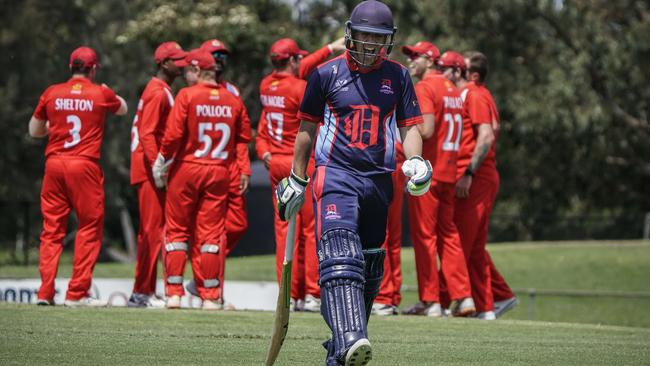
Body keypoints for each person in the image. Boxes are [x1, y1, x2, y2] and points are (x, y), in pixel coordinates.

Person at [275, 1, 432, 364]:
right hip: (336, 174)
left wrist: (415, 161)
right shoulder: (325, 74)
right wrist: (297, 179)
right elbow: (306, 131)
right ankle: (350, 337)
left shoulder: (399, 76)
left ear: (387, 41)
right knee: (340, 253)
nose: (369, 44)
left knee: (370, 265)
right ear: (350, 33)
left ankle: (342, 348)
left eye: (377, 38)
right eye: (363, 35)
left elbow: (410, 128)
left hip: (379, 180)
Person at [152, 49, 251, 310]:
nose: (184, 74)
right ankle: (210, 296)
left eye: (187, 70)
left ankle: (174, 294)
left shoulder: (186, 95)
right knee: (210, 236)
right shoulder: (233, 100)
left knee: (176, 232)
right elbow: (243, 139)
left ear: (197, 70)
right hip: (218, 171)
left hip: (188, 168)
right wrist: (243, 170)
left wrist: (161, 161)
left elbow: (172, 136)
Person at [29, 46, 128, 307]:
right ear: (93, 69)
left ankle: (44, 292)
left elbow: (34, 130)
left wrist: (54, 126)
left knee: (51, 230)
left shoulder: (52, 93)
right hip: (84, 165)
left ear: (70, 67)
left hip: (55, 165)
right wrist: (109, 91)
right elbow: (123, 109)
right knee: (89, 228)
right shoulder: (100, 93)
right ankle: (77, 293)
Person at [255, 36, 345, 312]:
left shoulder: (265, 85)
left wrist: (264, 152)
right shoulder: (301, 88)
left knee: (284, 229)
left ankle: (289, 294)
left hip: (275, 162)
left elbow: (298, 68)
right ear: (292, 60)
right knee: (309, 229)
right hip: (300, 163)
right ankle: (311, 293)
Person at [400, 45, 475, 317]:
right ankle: (463, 297)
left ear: (430, 61)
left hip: (429, 174)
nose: (410, 61)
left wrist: (404, 119)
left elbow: (427, 130)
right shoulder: (452, 89)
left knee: (425, 237)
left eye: (414, 56)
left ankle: (430, 301)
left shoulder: (424, 87)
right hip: (449, 171)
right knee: (449, 236)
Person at [454, 51, 516, 320]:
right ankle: (490, 303)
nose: (456, 71)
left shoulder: (476, 94)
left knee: (462, 244)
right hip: (480, 176)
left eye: (461, 68)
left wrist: (468, 171)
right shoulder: (477, 94)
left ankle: (453, 302)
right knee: (475, 247)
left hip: (477, 177)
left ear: (473, 75)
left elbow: (486, 136)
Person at [128, 41, 187, 308]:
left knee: (154, 231)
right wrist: (157, 166)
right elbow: (147, 133)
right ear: (164, 64)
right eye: (178, 60)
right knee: (151, 232)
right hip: (149, 169)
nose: (183, 64)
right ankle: (142, 292)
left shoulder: (160, 89)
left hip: (150, 168)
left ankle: (145, 290)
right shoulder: (158, 91)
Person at [370, 139, 405, 316]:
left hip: (382, 158)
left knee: (380, 231)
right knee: (392, 234)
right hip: (395, 158)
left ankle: (384, 295)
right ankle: (391, 294)